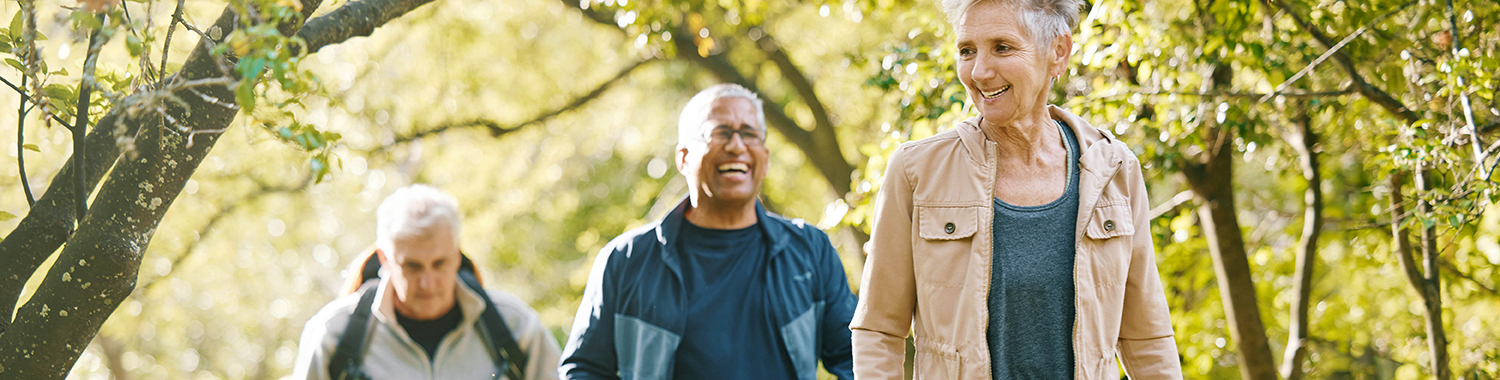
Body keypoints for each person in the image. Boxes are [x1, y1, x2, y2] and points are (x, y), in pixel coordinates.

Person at [849, 0, 1183, 379]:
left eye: (1002, 48)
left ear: (1057, 52)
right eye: (967, 51)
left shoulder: (1114, 170)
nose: (979, 71)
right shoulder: (917, 170)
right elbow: (879, 329)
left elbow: (1147, 336)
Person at [559, 84, 856, 380]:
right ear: (684, 158)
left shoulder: (810, 250)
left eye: (749, 133)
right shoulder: (626, 260)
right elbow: (585, 369)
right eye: (720, 132)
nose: (737, 146)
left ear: (764, 158)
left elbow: (854, 358)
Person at [291, 185, 561, 380]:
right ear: (384, 258)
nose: (427, 283)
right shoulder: (333, 336)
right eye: (412, 266)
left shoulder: (517, 328)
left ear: (457, 255)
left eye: (440, 263)